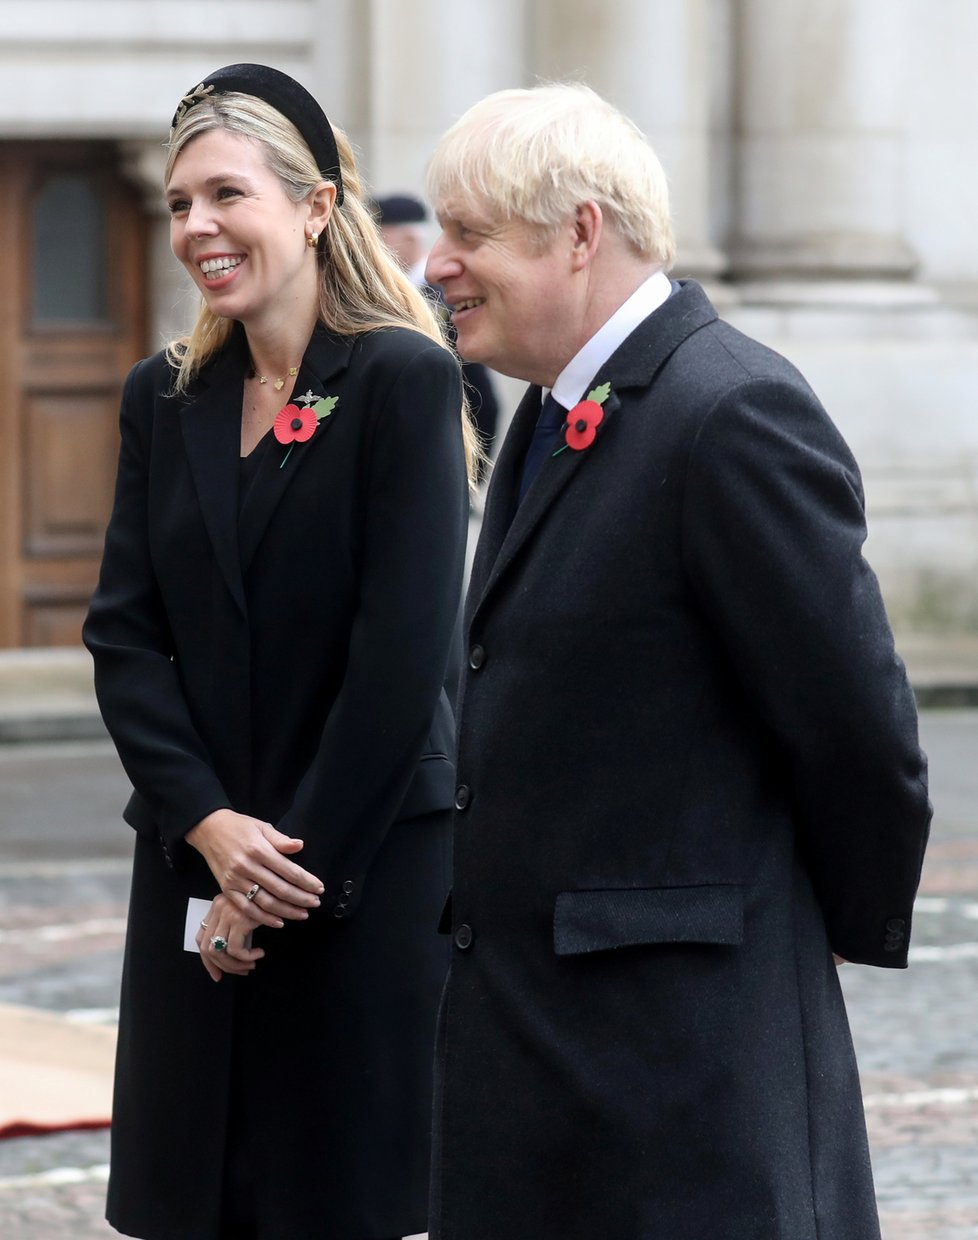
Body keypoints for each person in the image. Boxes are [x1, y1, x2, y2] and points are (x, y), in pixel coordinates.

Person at [422, 83, 932, 1240]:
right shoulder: (554, 413)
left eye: (469, 234)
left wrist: (772, 958)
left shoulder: (730, 410)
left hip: (680, 1077)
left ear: (580, 232)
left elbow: (856, 729)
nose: (438, 263)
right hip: (543, 1068)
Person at [83, 62, 475, 1240]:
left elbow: (400, 661)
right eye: (179, 204)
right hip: (192, 860)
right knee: (189, 1200)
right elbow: (124, 632)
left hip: (350, 867)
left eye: (226, 195)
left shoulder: (406, 378)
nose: (198, 227)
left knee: (333, 1197)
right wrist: (206, 826)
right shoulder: (166, 394)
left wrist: (279, 876)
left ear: (313, 207)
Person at [375, 192, 500, 477]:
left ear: (409, 237)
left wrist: (471, 475)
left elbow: (479, 394)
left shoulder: (447, 297)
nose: (373, 248)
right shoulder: (396, 294)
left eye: (380, 236)